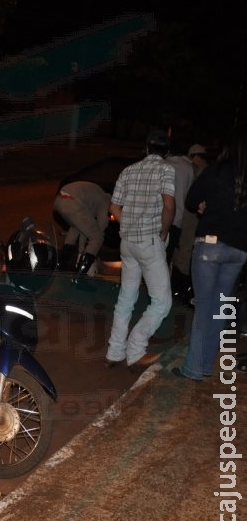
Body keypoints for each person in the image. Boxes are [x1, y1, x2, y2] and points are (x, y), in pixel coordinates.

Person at [174, 125, 247, 381]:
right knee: (220, 310)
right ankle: (204, 366)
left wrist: (208, 206)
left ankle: (193, 369)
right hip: (239, 251)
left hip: (210, 246)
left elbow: (192, 200)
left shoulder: (216, 172)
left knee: (204, 309)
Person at [105, 130, 176, 372]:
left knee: (126, 297)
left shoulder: (128, 170)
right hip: (149, 241)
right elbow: (168, 205)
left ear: (146, 148)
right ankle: (135, 350)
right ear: (166, 152)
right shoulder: (166, 170)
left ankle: (114, 351)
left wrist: (128, 223)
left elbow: (114, 206)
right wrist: (164, 231)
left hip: (128, 243)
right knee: (162, 302)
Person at [170, 144, 209, 305]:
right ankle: (178, 290)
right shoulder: (192, 171)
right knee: (184, 254)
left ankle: (177, 289)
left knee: (182, 254)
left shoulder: (186, 169)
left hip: (183, 219)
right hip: (188, 219)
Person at [53, 180, 112, 277]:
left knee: (76, 228)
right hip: (72, 201)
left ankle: (61, 266)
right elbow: (101, 227)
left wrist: (82, 251)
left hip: (59, 201)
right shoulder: (106, 201)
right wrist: (92, 251)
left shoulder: (95, 196)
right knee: (97, 238)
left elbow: (84, 230)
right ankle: (80, 276)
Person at [165, 145, 196, 264]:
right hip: (177, 218)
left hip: (159, 217)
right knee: (167, 255)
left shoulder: (163, 163)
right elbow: (190, 193)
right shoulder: (188, 167)